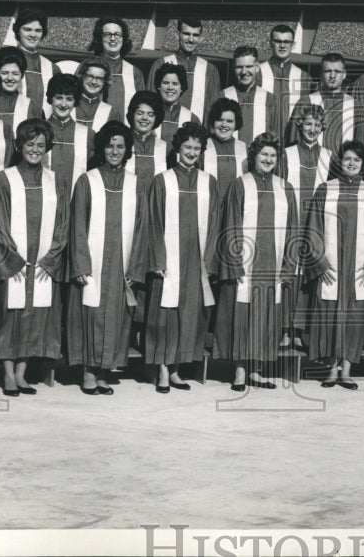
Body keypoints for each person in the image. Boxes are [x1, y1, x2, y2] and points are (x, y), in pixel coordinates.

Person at [0, 118, 69, 396]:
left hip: (42, 265)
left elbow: (62, 225)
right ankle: (7, 373)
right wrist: (12, 258)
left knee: (35, 317)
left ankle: (21, 373)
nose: (35, 149)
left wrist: (50, 258)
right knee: (10, 316)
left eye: (41, 145)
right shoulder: (4, 179)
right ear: (19, 145)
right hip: (13, 262)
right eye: (30, 144)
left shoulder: (56, 181)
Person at [214, 133, 299, 391]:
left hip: (272, 264)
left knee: (265, 317)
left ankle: (256, 370)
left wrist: (289, 265)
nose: (269, 159)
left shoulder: (285, 188)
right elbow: (231, 224)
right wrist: (235, 262)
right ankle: (240, 372)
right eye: (264, 154)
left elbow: (293, 229)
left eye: (273, 155)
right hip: (247, 263)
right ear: (254, 156)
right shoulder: (241, 185)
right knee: (243, 315)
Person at [141, 122, 221, 393]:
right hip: (168, 260)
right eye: (187, 146)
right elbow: (153, 222)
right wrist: (157, 259)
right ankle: (162, 368)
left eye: (197, 148)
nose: (191, 152)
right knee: (165, 315)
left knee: (189, 315)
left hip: (195, 261)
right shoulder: (162, 180)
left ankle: (176, 369)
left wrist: (209, 260)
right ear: (178, 147)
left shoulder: (209, 182)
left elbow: (214, 224)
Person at [67, 121, 146, 395]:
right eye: (110, 146)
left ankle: (104, 371)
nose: (115, 151)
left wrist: (135, 267)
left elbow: (141, 229)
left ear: (127, 150)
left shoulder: (136, 184)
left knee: (115, 317)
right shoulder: (87, 180)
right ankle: (88, 371)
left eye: (120, 146)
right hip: (93, 263)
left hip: (121, 265)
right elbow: (77, 225)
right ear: (102, 148)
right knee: (90, 315)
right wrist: (80, 264)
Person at [303, 140, 364, 390]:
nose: (351, 163)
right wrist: (320, 262)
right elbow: (313, 228)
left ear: (363, 164)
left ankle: (347, 370)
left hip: (358, 267)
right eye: (347, 158)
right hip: (331, 266)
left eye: (356, 160)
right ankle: (331, 369)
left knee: (355, 316)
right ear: (340, 161)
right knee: (329, 315)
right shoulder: (325, 189)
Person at [277, 104, 333, 350]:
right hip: (291, 223)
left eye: (317, 125)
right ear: (300, 124)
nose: (312, 129)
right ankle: (284, 330)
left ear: (322, 128)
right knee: (289, 274)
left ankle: (299, 330)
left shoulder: (329, 156)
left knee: (308, 276)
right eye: (308, 123)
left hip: (317, 225)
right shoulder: (286, 154)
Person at [148, 18, 221, 124]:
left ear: (200, 38)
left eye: (195, 35)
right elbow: (150, 102)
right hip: (162, 129)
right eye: (186, 34)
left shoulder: (210, 70)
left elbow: (213, 109)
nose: (191, 39)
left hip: (196, 131)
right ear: (177, 35)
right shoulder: (160, 64)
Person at [288, 53, 362, 149]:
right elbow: (293, 143)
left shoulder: (355, 105)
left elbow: (360, 146)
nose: (332, 76)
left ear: (344, 74)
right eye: (328, 71)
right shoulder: (306, 102)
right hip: (312, 158)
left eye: (337, 71)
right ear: (321, 74)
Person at [87, 18, 145, 120]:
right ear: (100, 38)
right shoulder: (87, 68)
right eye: (107, 34)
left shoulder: (135, 73)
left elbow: (142, 107)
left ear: (123, 38)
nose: (113, 38)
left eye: (117, 34)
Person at [222, 45, 282, 145]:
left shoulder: (271, 100)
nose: (244, 72)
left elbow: (275, 138)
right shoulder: (223, 96)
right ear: (233, 67)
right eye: (239, 67)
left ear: (257, 67)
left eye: (249, 66)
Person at [257, 24, 309, 135]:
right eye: (278, 41)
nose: (282, 46)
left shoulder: (303, 76)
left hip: (291, 138)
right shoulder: (258, 72)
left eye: (286, 42)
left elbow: (306, 114)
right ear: (270, 43)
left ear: (293, 45)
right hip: (263, 137)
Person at [44, 74, 91, 190]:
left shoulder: (87, 134)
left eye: (69, 99)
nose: (63, 104)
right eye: (59, 98)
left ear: (75, 101)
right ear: (51, 98)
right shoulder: (39, 130)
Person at [10, 7, 59, 117]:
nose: (33, 35)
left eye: (38, 30)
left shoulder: (52, 68)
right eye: (27, 29)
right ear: (18, 31)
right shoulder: (6, 63)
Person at [200, 97, 249, 199]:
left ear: (236, 124)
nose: (224, 125)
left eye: (229, 121)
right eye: (219, 120)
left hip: (236, 205)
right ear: (213, 122)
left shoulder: (244, 149)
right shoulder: (202, 148)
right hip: (210, 204)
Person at [0, 47, 40, 135]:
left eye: (15, 73)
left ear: (22, 75)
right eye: (4, 73)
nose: (10, 78)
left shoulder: (32, 106)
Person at [125, 91, 168, 184]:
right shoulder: (122, 144)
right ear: (132, 114)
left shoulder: (165, 148)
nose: (144, 118)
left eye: (150, 114)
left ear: (157, 117)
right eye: (140, 113)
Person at [153, 62, 196, 144]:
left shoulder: (192, 119)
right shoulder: (149, 115)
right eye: (165, 83)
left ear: (181, 88)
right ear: (159, 86)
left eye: (175, 84)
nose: (170, 87)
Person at [73, 57, 119, 130]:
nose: (94, 82)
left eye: (99, 78)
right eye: (90, 76)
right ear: (82, 76)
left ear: (105, 81)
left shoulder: (111, 112)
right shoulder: (69, 106)